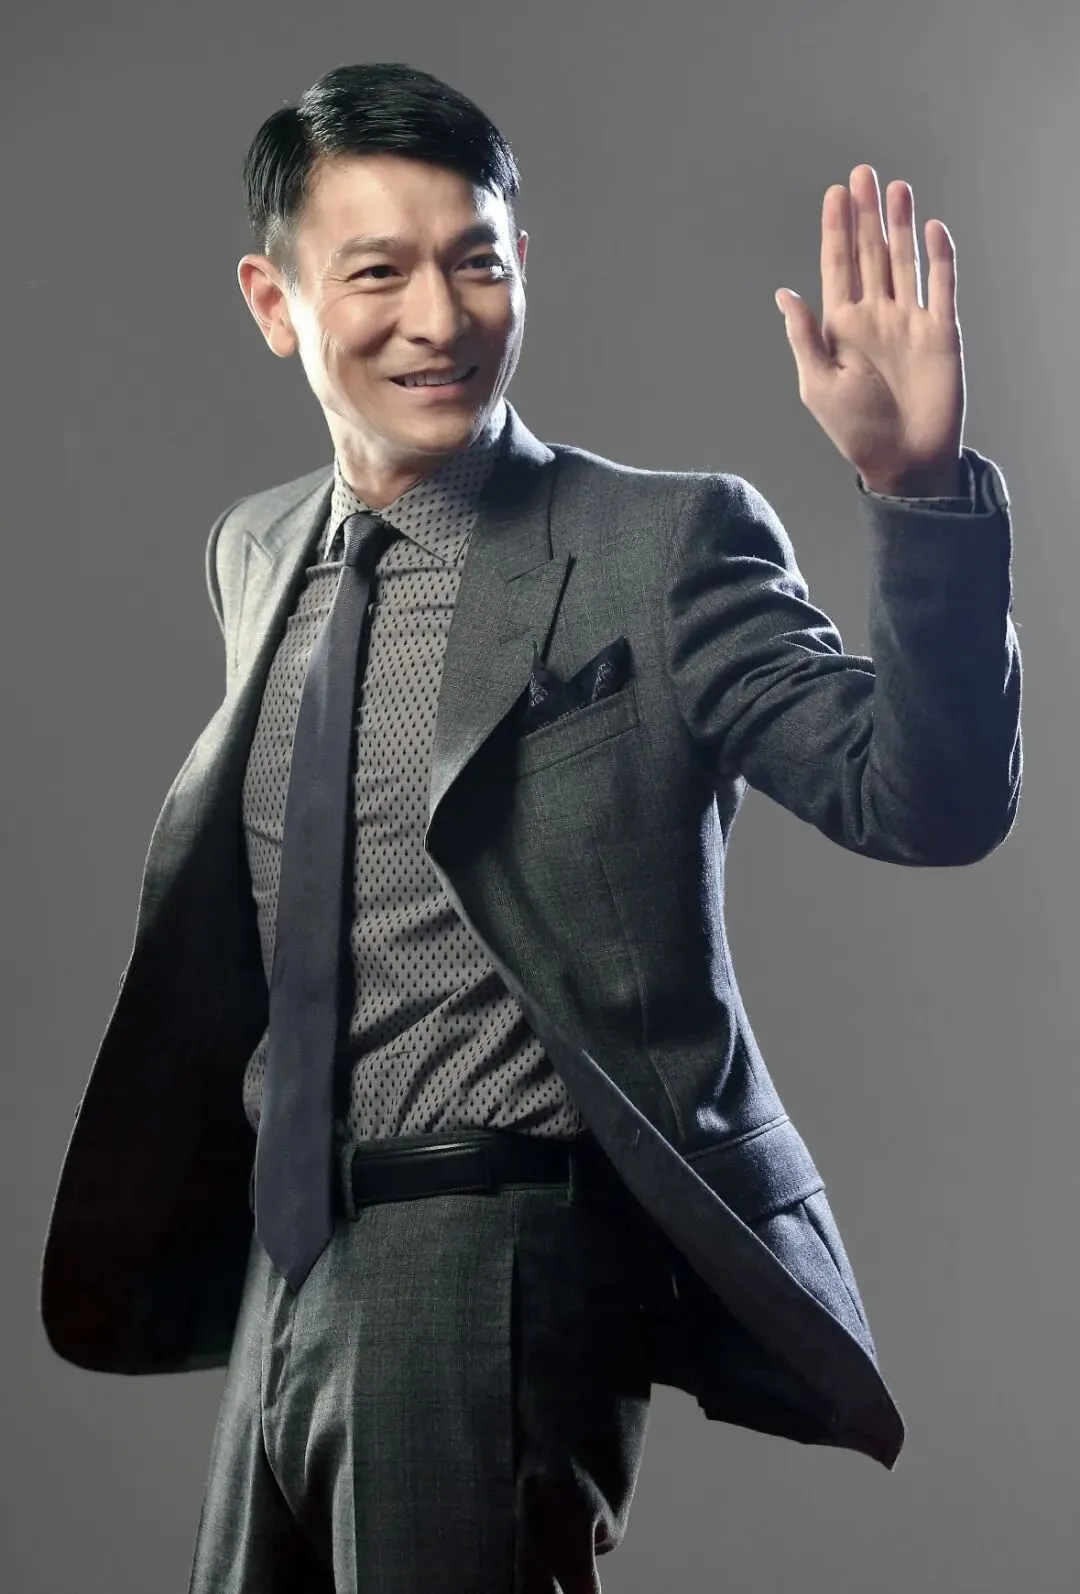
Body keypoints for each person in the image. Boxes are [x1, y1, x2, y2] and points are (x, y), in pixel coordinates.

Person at [40, 60, 1021, 1594]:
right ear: (276, 301)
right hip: (281, 1261)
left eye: (478, 262)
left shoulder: (657, 543)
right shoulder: (259, 551)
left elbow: (927, 798)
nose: (440, 318)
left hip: (493, 1258)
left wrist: (921, 492)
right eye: (380, 272)